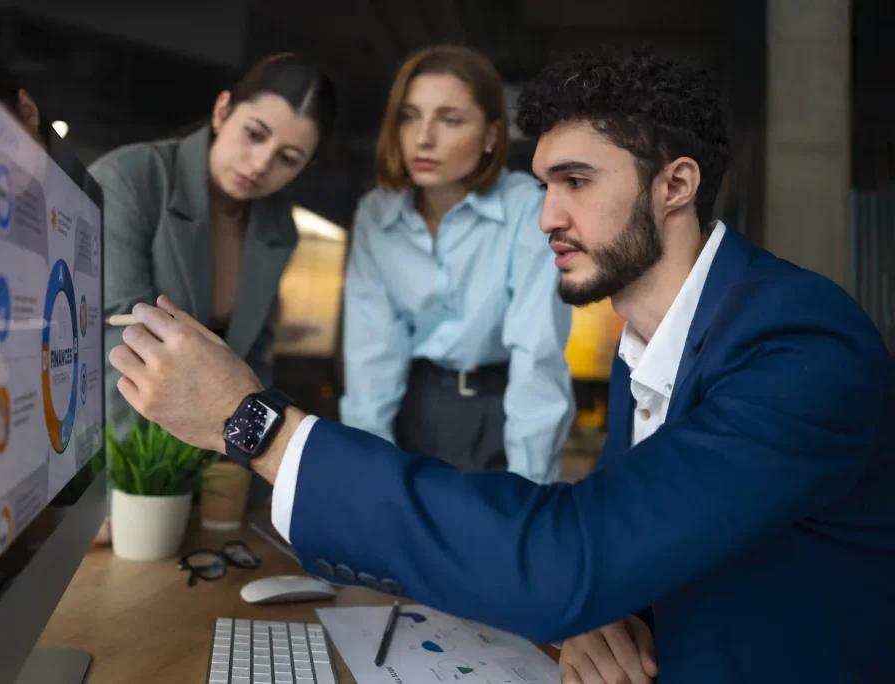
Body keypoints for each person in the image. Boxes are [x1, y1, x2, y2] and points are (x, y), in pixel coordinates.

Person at [107, 47, 895, 684]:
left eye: (577, 183)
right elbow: (629, 538)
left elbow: (571, 553)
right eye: (547, 183)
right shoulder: (649, 342)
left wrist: (260, 428)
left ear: (676, 186)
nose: (547, 214)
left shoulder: (798, 346)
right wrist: (600, 596)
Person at [88, 53, 337, 543]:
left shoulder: (277, 228)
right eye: (254, 133)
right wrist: (138, 487)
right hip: (106, 454)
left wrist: (250, 462)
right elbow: (118, 348)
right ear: (223, 111)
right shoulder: (130, 179)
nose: (262, 163)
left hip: (203, 464)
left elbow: (254, 359)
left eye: (289, 158)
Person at [340, 45, 574, 483]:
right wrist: (367, 475)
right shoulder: (376, 213)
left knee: (493, 539)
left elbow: (537, 356)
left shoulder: (529, 210)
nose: (423, 138)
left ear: (491, 136)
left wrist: (529, 489)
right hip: (411, 402)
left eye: (450, 120)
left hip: (501, 408)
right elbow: (371, 356)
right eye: (410, 116)